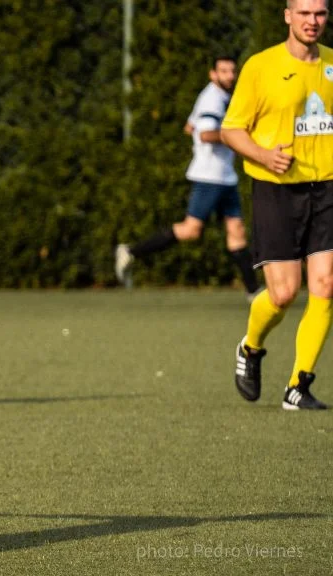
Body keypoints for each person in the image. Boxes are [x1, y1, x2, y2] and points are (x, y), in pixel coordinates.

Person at [225, 0, 333, 410]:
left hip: (327, 189)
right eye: (304, 13)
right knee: (284, 294)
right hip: (276, 189)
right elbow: (232, 129)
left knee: (325, 284)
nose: (313, 21)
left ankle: (298, 386)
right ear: (287, 15)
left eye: (320, 13)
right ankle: (251, 347)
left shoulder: (332, 65)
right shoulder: (261, 66)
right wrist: (263, 154)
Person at [115, 57, 260, 300]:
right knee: (191, 230)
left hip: (225, 176)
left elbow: (190, 127)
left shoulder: (220, 97)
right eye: (223, 71)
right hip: (209, 177)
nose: (229, 76)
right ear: (212, 74)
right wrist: (236, 136)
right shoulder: (212, 98)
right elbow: (204, 134)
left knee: (236, 232)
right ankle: (130, 251)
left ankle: (253, 291)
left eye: (232, 71)